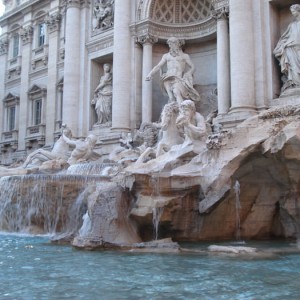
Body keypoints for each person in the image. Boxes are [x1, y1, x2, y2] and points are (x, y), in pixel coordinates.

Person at [146, 37, 200, 104]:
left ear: (177, 44)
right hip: (167, 78)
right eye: (169, 44)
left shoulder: (184, 56)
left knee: (176, 92)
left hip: (178, 78)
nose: (170, 46)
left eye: (172, 44)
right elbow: (158, 66)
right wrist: (150, 74)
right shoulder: (166, 56)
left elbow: (193, 67)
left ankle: (182, 111)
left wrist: (189, 73)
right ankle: (173, 112)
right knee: (171, 97)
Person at [274, 4, 300, 93]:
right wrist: (283, 45)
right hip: (292, 49)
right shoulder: (292, 25)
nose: (292, 13)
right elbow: (285, 37)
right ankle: (295, 84)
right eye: (291, 12)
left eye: (293, 11)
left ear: (298, 11)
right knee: (293, 68)